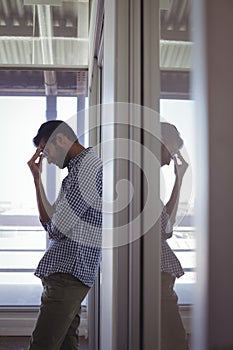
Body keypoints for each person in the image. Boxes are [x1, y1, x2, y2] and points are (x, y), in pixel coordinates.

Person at [27, 120, 102, 350]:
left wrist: (36, 180)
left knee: (43, 344)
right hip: (73, 271)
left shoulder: (84, 171)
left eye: (47, 151)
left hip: (68, 272)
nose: (48, 159)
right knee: (65, 344)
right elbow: (55, 223)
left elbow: (55, 230)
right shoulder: (82, 169)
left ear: (60, 139)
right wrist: (37, 178)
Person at [160, 122, 190, 350]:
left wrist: (179, 179)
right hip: (157, 275)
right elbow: (166, 230)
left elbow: (166, 224)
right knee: (174, 339)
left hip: (161, 274)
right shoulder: (141, 178)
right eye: (171, 151)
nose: (171, 159)